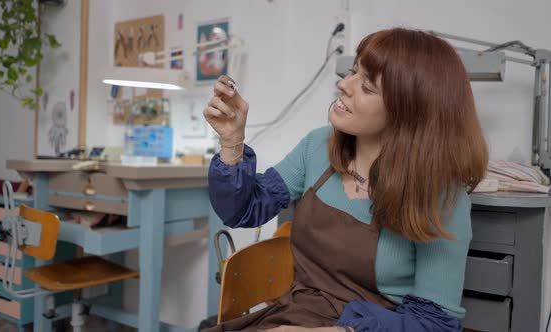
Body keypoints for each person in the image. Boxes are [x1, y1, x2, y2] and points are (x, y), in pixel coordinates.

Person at [203, 28, 488, 332]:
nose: (343, 85)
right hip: (295, 316)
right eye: (353, 71)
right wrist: (232, 142)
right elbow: (244, 209)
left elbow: (435, 325)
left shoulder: (442, 197)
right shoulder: (318, 147)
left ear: (409, 112)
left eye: (366, 86)